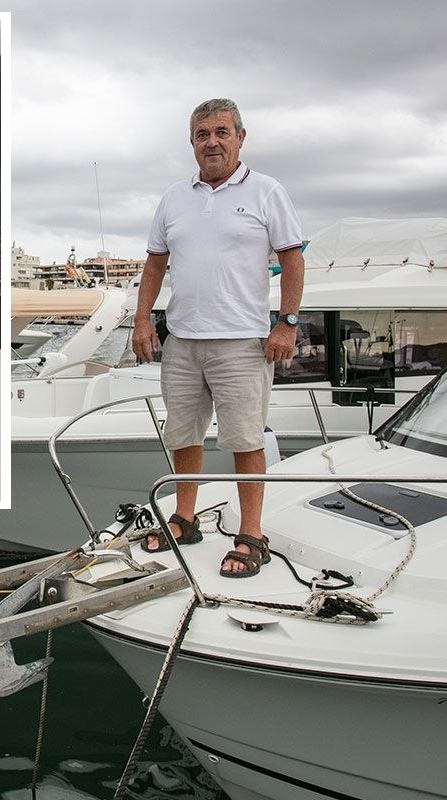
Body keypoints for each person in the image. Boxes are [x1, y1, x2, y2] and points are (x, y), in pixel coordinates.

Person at [132, 98, 304, 577]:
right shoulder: (173, 197)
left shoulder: (267, 191)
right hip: (183, 339)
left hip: (244, 341)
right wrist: (142, 319)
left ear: (240, 138)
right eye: (203, 134)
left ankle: (252, 534)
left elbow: (292, 257)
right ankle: (184, 519)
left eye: (222, 132)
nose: (212, 142)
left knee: (244, 439)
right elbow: (154, 262)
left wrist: (287, 322)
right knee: (183, 434)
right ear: (192, 142)